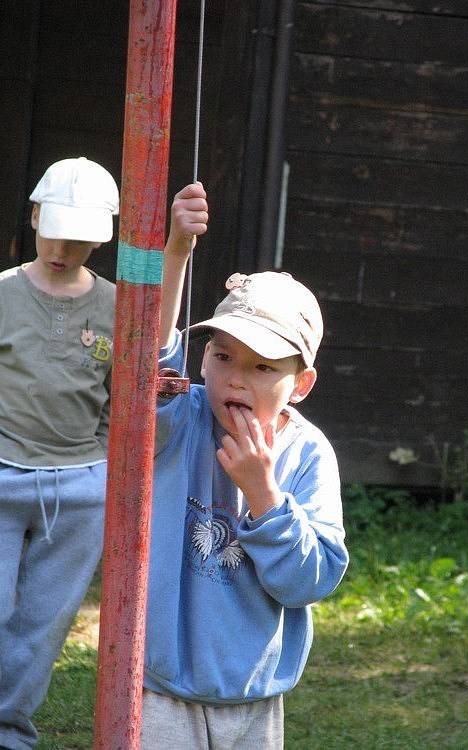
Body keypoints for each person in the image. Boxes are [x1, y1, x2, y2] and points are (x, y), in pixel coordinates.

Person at [0, 160, 208, 749]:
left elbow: (154, 340)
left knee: (41, 626)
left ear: (103, 236)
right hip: (4, 473)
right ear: (35, 216)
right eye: (55, 230)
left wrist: (178, 246)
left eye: (82, 237)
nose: (64, 248)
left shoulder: (115, 304)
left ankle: (10, 731)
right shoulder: (5, 294)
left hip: (79, 486)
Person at [141, 182, 349, 749]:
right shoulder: (179, 421)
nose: (235, 377)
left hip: (255, 696)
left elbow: (308, 582)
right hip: (158, 687)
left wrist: (263, 493)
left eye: (262, 367)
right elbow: (144, 369)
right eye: (222, 355)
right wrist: (176, 253)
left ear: (301, 385)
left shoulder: (307, 455)